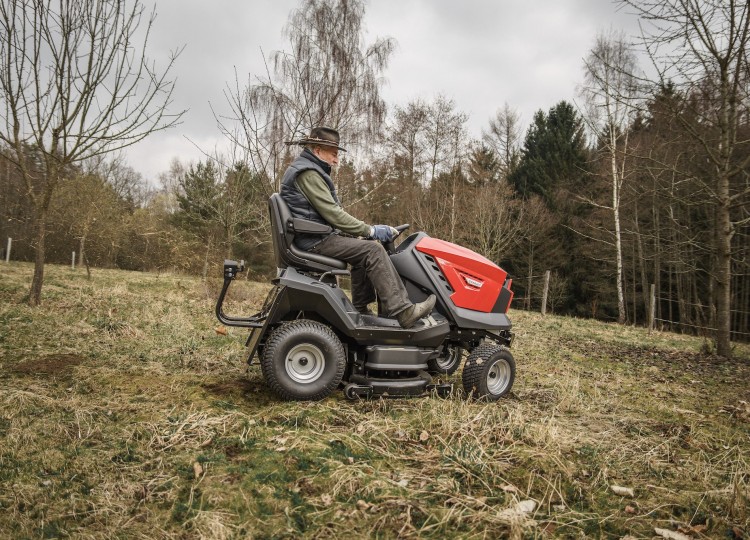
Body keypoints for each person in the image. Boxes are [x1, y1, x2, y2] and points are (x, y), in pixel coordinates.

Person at [280, 126, 435, 329]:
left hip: (312, 237)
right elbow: (333, 214)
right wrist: (371, 230)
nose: (336, 160)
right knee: (373, 249)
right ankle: (403, 311)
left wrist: (365, 233)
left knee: (364, 246)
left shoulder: (307, 170)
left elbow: (323, 216)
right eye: (333, 154)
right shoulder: (308, 174)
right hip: (313, 241)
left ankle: (360, 309)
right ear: (317, 150)